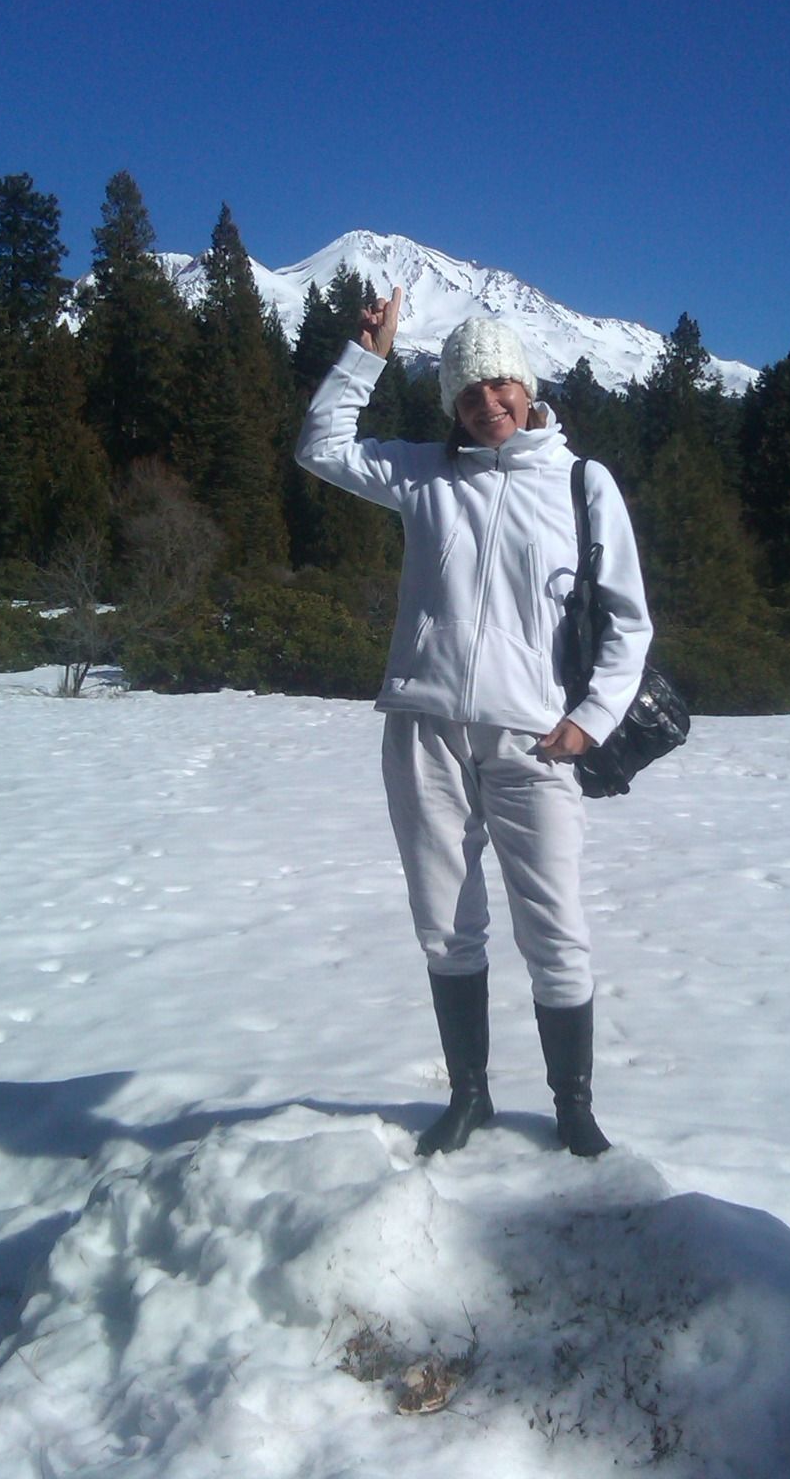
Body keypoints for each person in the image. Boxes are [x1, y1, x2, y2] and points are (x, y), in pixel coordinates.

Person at [296, 287, 651, 1157]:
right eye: (468, 393)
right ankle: (471, 1096)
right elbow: (320, 447)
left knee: (555, 927)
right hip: (425, 729)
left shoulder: (580, 483)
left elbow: (628, 618)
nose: (488, 404)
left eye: (502, 386)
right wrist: (368, 357)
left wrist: (591, 720)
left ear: (527, 389)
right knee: (447, 926)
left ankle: (573, 1108)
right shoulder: (425, 475)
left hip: (534, 738)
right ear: (450, 404)